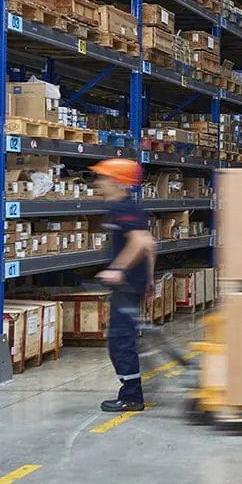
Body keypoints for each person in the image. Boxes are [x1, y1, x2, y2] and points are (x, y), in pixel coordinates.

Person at [90, 158, 156, 414]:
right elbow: (150, 244)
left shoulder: (123, 208)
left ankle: (131, 396)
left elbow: (139, 242)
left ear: (116, 181)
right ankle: (131, 393)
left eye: (103, 177)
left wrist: (117, 269)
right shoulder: (128, 207)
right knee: (124, 339)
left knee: (120, 341)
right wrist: (149, 280)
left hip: (127, 285)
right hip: (134, 283)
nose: (99, 183)